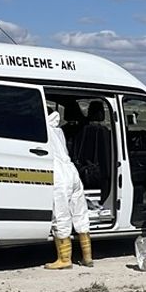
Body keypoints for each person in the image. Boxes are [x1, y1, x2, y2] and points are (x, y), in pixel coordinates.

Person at [45, 109, 92, 269]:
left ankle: (64, 259)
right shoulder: (59, 131)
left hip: (58, 174)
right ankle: (88, 257)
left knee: (61, 215)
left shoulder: (45, 131)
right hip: (72, 171)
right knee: (80, 212)